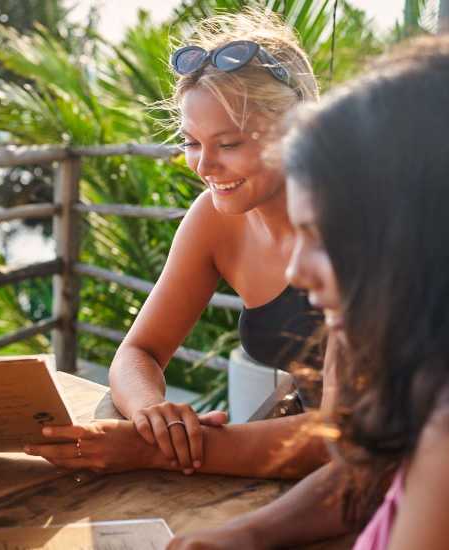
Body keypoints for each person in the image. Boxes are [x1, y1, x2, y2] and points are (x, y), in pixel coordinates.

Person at [168, 34, 449, 549]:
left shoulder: (443, 435)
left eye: (323, 237)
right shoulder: (420, 398)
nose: (295, 270)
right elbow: (359, 475)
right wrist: (245, 535)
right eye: (192, 142)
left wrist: (156, 451)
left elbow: (334, 448)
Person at [107, 9, 331, 475]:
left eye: (228, 144)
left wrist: (153, 450)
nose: (204, 166)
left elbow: (357, 433)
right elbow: (138, 352)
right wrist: (153, 413)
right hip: (309, 468)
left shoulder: (363, 223)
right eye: (192, 142)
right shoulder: (214, 219)